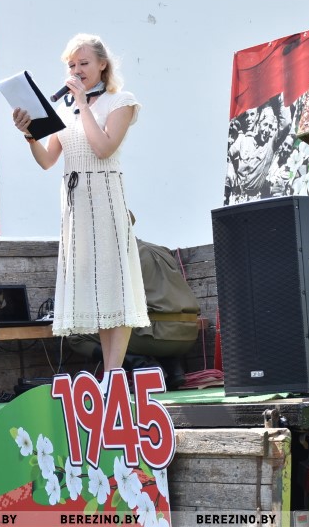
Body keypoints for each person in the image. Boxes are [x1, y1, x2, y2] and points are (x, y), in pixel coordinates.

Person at [11, 33, 149, 392]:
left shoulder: (121, 101)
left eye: (83, 63)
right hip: (76, 205)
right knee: (97, 287)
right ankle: (110, 376)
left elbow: (103, 148)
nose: (76, 70)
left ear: (102, 64)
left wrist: (84, 105)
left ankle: (113, 377)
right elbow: (47, 160)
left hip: (105, 197)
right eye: (71, 65)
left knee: (114, 284)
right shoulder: (65, 110)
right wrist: (29, 134)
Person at [67, 238, 201, 391]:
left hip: (155, 336)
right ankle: (173, 368)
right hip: (188, 334)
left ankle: (143, 365)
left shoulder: (119, 255)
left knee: (75, 335)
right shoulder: (161, 249)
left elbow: (109, 305)